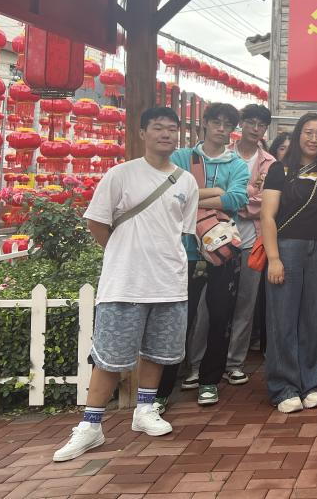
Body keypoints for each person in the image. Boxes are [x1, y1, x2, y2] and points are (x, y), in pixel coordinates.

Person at [52, 107, 199, 462]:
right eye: (158, 128)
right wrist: (122, 253)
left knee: (158, 351)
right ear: (143, 132)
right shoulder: (120, 175)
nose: (166, 134)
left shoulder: (186, 182)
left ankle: (145, 409)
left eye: (172, 129)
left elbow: (183, 231)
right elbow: (97, 223)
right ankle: (90, 425)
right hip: (125, 282)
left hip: (169, 280)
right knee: (109, 356)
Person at [155, 103, 249, 411]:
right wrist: (215, 192)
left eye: (227, 124)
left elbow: (237, 199)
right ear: (205, 124)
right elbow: (172, 194)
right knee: (179, 319)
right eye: (216, 122)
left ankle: (210, 380)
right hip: (184, 250)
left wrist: (195, 194)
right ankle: (162, 389)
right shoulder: (183, 157)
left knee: (221, 317)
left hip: (223, 251)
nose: (221, 129)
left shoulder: (237, 164)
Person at [186, 104, 277, 387]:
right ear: (242, 125)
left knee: (245, 304)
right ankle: (197, 364)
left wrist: (235, 198)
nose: (255, 129)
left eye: (261, 125)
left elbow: (262, 202)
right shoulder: (223, 155)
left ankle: (234, 362)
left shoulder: (269, 162)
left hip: (251, 241)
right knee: (208, 306)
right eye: (250, 122)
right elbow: (240, 198)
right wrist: (238, 197)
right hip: (213, 240)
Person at [260, 113, 317, 412]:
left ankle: (310, 383)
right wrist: (274, 258)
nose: (314, 139)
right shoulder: (280, 170)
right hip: (286, 248)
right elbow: (267, 216)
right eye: (308, 132)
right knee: (283, 318)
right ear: (298, 135)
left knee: (313, 318)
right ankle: (283, 387)